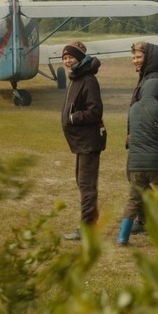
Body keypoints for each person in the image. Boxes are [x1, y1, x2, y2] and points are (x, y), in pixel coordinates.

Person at [117, 41, 158, 247]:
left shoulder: (135, 105)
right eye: (133, 57)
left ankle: (122, 238)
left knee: (133, 199)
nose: (135, 61)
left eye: (138, 57)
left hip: (135, 162)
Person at [60, 41, 106, 241]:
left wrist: (72, 118)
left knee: (87, 185)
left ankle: (87, 228)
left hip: (88, 142)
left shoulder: (87, 79)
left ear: (79, 58)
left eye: (70, 57)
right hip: (81, 142)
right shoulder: (76, 77)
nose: (68, 61)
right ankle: (91, 223)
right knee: (82, 182)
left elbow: (94, 111)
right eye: (65, 58)